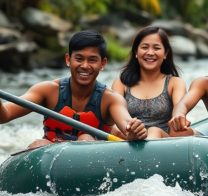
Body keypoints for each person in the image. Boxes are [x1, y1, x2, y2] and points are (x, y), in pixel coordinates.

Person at [0, 30, 147, 149]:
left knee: (85, 139)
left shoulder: (110, 99)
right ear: (67, 60)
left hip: (91, 161)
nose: (84, 65)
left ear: (103, 63)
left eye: (92, 60)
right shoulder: (47, 90)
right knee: (39, 144)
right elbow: (4, 115)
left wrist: (134, 130)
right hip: (51, 156)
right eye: (79, 58)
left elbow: (127, 125)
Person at [111, 26, 187, 139]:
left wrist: (180, 117)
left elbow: (179, 111)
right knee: (115, 128)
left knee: (154, 131)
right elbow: (115, 120)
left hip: (165, 142)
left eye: (156, 48)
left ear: (165, 53)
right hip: (130, 138)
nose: (150, 53)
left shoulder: (175, 83)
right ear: (136, 52)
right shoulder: (121, 83)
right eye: (145, 47)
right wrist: (131, 131)